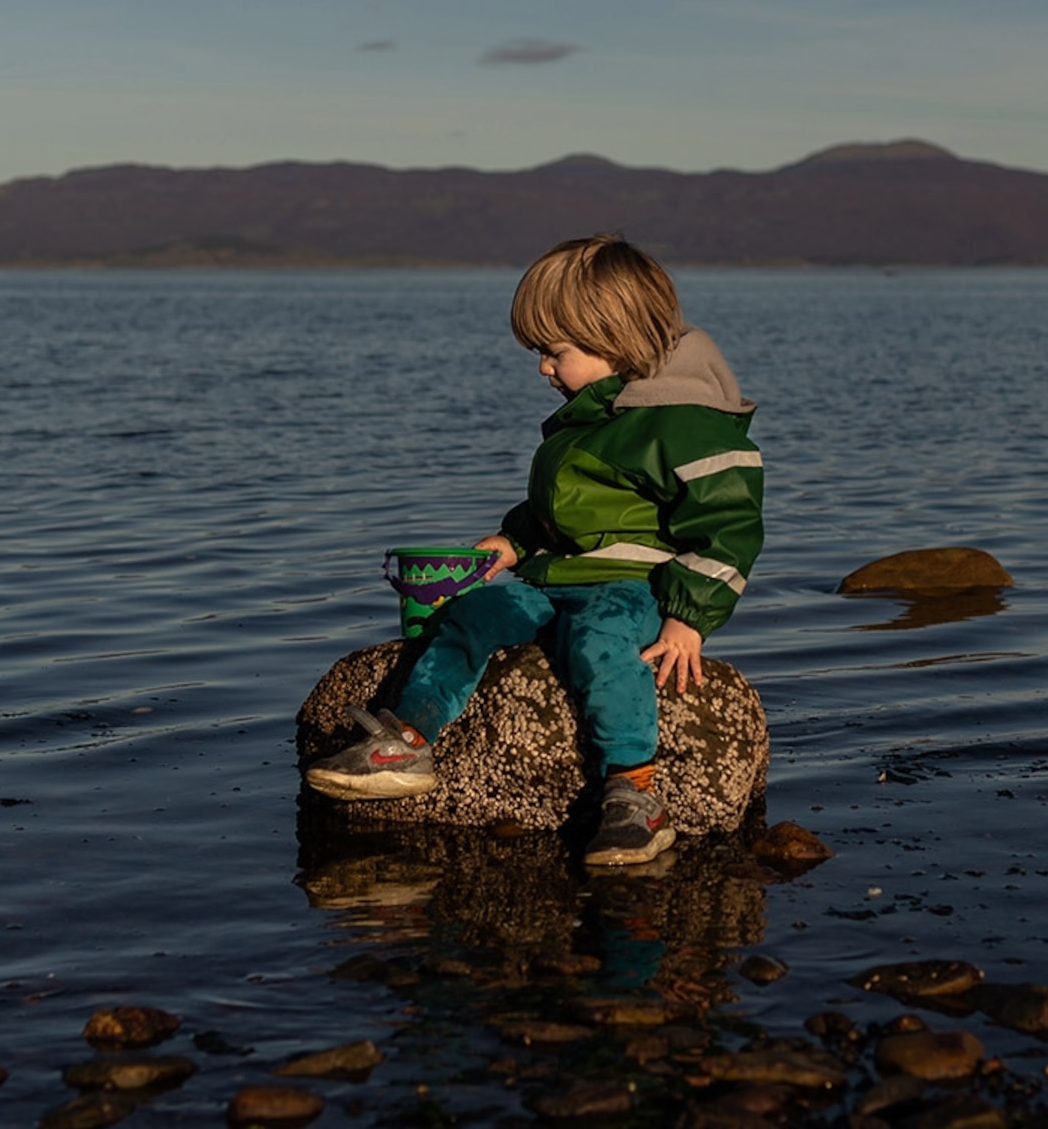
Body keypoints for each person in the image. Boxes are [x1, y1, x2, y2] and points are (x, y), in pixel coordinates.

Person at [306, 234, 764, 865]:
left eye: (555, 352)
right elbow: (560, 510)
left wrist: (690, 617)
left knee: (598, 645)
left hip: (634, 588)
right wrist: (514, 541)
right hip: (555, 581)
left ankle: (635, 792)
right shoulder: (588, 420)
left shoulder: (684, 421)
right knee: (472, 613)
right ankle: (408, 741)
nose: (543, 368)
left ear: (615, 342)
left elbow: (730, 526)